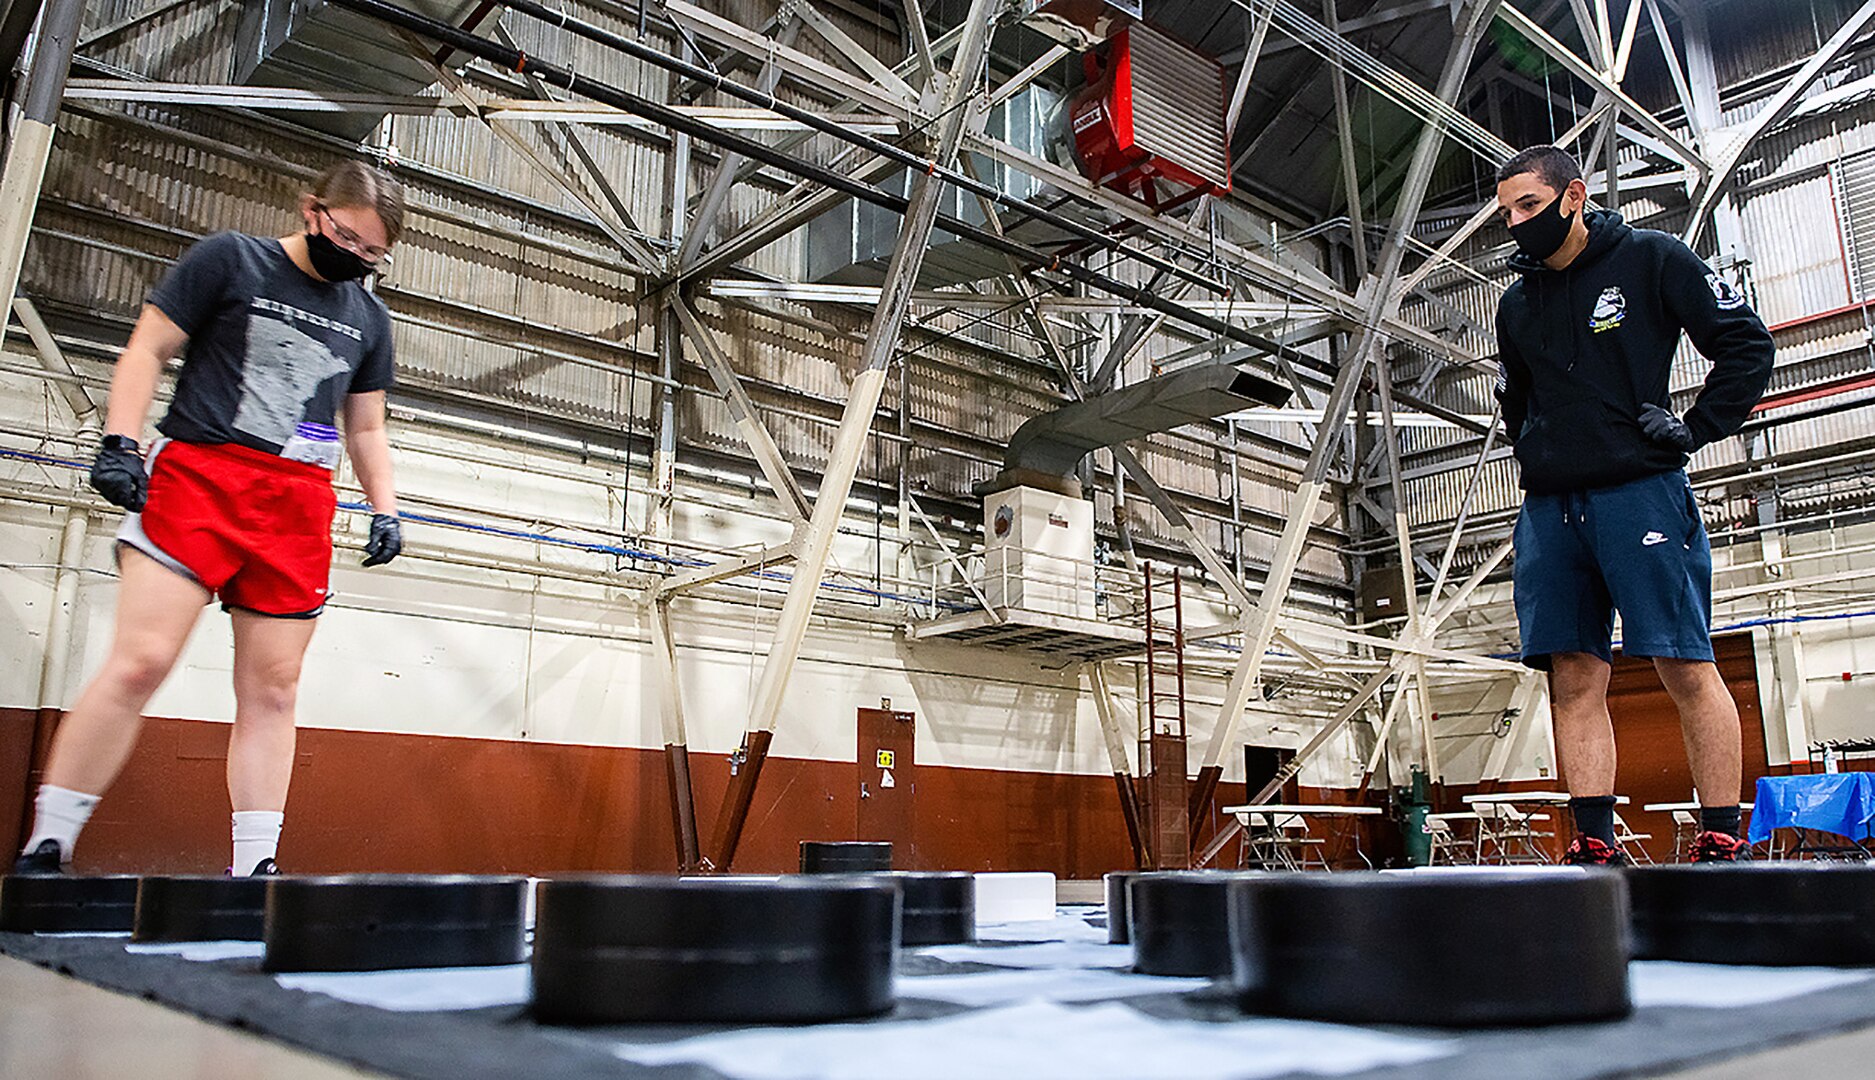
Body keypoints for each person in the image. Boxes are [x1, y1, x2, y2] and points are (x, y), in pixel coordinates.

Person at [13, 161, 407, 877]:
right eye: (345, 237)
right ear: (311, 208)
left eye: (371, 253)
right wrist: (121, 443)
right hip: (202, 477)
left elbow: (367, 428)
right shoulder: (231, 258)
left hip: (296, 504)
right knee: (141, 662)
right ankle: (50, 844)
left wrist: (385, 508)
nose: (352, 258)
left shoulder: (368, 318)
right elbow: (148, 347)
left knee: (274, 690)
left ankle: (255, 868)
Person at [1493, 145, 1774, 866]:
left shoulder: (1652, 259)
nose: (1516, 223)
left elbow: (1744, 345)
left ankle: (1717, 835)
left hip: (1638, 491)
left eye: (1528, 205)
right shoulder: (1516, 302)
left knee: (1681, 661)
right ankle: (1592, 845)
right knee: (1573, 675)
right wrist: (1531, 450)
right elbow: (1515, 396)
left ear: (1572, 196)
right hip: (1549, 507)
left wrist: (1697, 428)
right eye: (1506, 213)